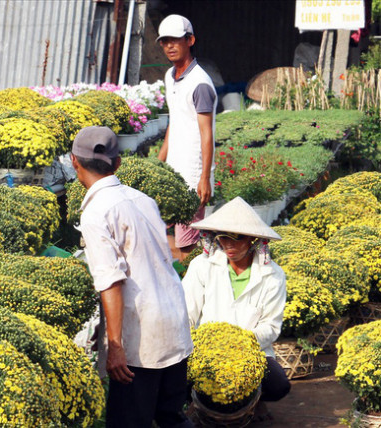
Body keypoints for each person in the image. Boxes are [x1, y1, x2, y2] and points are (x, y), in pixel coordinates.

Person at [72, 126, 194, 428]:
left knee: (129, 421)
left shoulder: (96, 212)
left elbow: (111, 282)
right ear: (118, 164)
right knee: (170, 417)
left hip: (141, 335)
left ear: (74, 161)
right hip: (174, 319)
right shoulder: (143, 199)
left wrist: (115, 346)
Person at [182, 197, 291, 417]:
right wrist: (203, 345)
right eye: (223, 238)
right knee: (174, 378)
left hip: (252, 352)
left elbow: (271, 327)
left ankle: (255, 397)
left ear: (253, 239)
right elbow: (186, 315)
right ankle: (198, 401)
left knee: (279, 385)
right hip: (205, 351)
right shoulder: (202, 266)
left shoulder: (272, 275)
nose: (229, 245)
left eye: (238, 238)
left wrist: (239, 344)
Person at [156, 14, 217, 261]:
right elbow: (176, 119)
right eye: (165, 41)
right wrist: (160, 160)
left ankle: (189, 290)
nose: (170, 46)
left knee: (186, 244)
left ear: (190, 40)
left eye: (176, 40)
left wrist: (204, 178)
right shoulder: (170, 76)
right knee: (166, 234)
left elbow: (207, 133)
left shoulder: (199, 83)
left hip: (192, 173)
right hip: (173, 167)